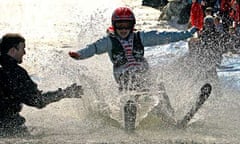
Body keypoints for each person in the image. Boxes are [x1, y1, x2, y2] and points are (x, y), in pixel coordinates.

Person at [69, 6, 197, 92]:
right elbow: (93, 48)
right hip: (123, 74)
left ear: (132, 25)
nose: (124, 30)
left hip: (142, 71)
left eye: (127, 25)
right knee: (132, 80)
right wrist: (80, 54)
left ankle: (169, 117)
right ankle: (128, 106)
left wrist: (187, 34)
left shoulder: (141, 37)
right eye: (120, 26)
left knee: (158, 88)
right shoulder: (109, 41)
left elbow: (164, 36)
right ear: (114, 25)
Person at [0, 33, 83, 136]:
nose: (24, 53)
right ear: (13, 51)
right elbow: (37, 100)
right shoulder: (15, 73)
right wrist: (65, 93)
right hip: (8, 129)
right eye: (22, 49)